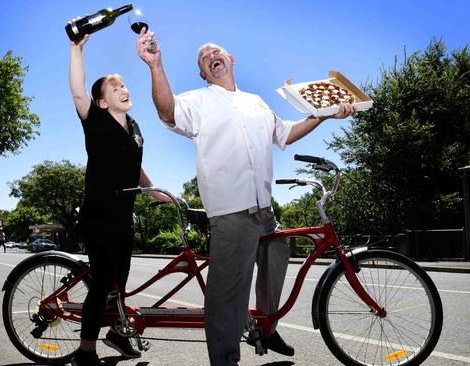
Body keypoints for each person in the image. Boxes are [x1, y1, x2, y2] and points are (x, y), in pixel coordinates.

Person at [136, 30, 355, 366]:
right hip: (231, 213)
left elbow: (285, 134)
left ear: (231, 58)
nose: (211, 56)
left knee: (278, 253)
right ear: (203, 73)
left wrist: (324, 114)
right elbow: (167, 111)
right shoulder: (198, 100)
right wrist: (155, 65)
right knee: (226, 297)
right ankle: (225, 361)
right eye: (204, 58)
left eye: (215, 51)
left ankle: (265, 327)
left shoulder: (256, 102)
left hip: (264, 211)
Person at [68, 18, 171, 366]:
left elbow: (135, 168)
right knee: (102, 284)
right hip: (98, 215)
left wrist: (155, 191)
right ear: (101, 102)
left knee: (119, 286)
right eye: (115, 89)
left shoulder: (135, 126)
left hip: (124, 216)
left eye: (124, 85)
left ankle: (116, 332)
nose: (124, 90)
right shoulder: (94, 121)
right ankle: (86, 351)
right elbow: (78, 90)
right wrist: (76, 48)